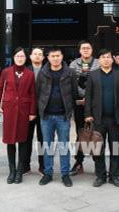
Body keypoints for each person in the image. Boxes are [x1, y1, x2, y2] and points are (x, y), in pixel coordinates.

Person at [84, 49, 119, 188]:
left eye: (108, 57)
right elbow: (88, 96)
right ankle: (101, 176)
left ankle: (114, 176)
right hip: (98, 118)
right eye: (103, 57)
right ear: (99, 60)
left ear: (112, 59)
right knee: (98, 148)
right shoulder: (93, 75)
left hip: (115, 118)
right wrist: (88, 114)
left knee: (114, 147)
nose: (106, 59)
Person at [0, 47, 37, 184]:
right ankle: (12, 171)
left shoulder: (30, 74)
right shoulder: (6, 72)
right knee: (10, 141)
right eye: (17, 56)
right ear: (13, 57)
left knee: (23, 141)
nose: (20, 58)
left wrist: (32, 112)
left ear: (26, 58)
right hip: (9, 110)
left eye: (22, 56)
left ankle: (20, 171)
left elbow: (33, 94)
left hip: (24, 111)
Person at [36, 46, 79, 187]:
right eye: (52, 56)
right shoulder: (43, 73)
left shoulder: (70, 73)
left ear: (62, 57)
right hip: (46, 116)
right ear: (48, 58)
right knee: (47, 145)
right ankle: (48, 173)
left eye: (58, 56)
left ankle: (65, 174)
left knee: (64, 145)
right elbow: (38, 92)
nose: (55, 58)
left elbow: (73, 93)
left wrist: (69, 111)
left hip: (63, 116)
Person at [69, 40, 100, 175]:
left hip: (95, 105)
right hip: (79, 104)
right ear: (80, 50)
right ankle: (78, 162)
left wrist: (90, 98)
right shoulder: (73, 64)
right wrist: (80, 97)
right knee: (80, 133)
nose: (86, 50)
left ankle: (98, 163)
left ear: (92, 50)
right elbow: (71, 84)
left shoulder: (98, 63)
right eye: (83, 48)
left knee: (96, 134)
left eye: (88, 48)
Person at [23, 46, 45, 175]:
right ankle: (25, 166)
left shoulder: (47, 70)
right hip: (27, 110)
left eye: (40, 54)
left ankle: (43, 166)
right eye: (35, 54)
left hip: (43, 110)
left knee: (43, 139)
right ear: (30, 56)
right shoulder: (25, 70)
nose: (37, 56)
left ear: (43, 57)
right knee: (26, 138)